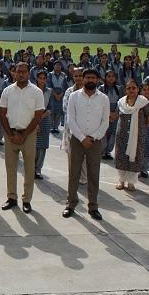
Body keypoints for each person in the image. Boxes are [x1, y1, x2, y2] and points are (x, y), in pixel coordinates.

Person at [63, 68, 110, 221]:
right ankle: (71, 203)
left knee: (93, 174)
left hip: (95, 142)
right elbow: (71, 119)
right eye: (87, 77)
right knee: (74, 173)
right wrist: (82, 138)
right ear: (82, 80)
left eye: (93, 78)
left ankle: (93, 206)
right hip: (77, 140)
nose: (90, 80)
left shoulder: (103, 98)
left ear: (97, 80)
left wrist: (93, 137)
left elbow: (105, 122)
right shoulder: (74, 96)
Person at [0, 62, 44, 213]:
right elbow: (2, 113)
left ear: (28, 73)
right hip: (10, 133)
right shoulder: (7, 91)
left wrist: (24, 135)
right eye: (18, 71)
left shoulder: (36, 92)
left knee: (29, 168)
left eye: (24, 71)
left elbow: (38, 116)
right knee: (10, 167)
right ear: (14, 73)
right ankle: (11, 197)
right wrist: (11, 134)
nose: (21, 74)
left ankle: (27, 200)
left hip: (28, 134)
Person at [114, 79, 149, 191]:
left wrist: (140, 129)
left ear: (138, 89)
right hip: (122, 135)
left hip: (137, 136)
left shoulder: (143, 102)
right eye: (128, 88)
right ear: (125, 90)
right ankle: (121, 181)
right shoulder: (121, 102)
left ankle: (131, 183)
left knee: (135, 157)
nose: (131, 90)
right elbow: (116, 115)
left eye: (133, 88)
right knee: (121, 157)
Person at [99, 70, 123, 160]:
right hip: (104, 114)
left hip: (115, 114)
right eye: (108, 76)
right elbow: (100, 103)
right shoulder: (101, 88)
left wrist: (116, 113)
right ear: (105, 78)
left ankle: (108, 151)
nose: (111, 78)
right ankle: (102, 151)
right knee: (104, 132)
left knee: (112, 133)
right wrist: (108, 114)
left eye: (113, 76)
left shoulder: (119, 88)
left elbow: (121, 102)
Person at [35, 70, 51, 180]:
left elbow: (51, 107)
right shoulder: (33, 91)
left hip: (45, 119)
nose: (42, 80)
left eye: (44, 78)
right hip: (33, 118)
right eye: (40, 78)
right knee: (33, 145)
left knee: (43, 146)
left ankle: (38, 169)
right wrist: (36, 122)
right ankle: (31, 168)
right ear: (37, 79)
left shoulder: (49, 91)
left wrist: (42, 117)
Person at [48, 60, 68, 133]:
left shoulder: (64, 75)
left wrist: (61, 94)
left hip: (61, 94)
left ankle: (56, 127)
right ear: (54, 66)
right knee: (52, 111)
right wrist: (55, 94)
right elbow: (49, 85)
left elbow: (65, 86)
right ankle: (51, 127)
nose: (58, 66)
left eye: (59, 65)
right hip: (52, 94)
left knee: (59, 111)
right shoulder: (50, 74)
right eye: (56, 65)